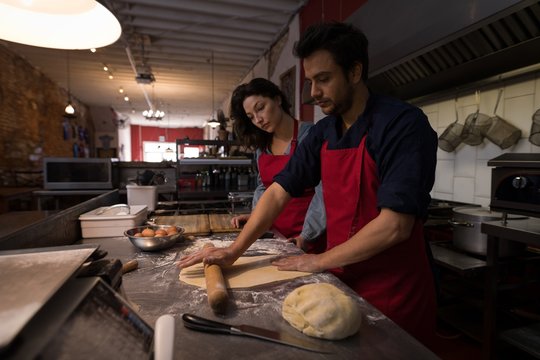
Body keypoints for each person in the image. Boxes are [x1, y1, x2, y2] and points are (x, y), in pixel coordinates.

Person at [178, 22, 438, 347]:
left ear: (355, 71)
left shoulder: (402, 125)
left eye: (323, 79)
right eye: (311, 80)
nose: (313, 92)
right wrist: (233, 251)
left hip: (394, 288)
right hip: (341, 277)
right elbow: (278, 191)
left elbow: (395, 226)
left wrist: (317, 261)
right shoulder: (323, 133)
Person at [229, 78, 326, 253]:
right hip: (275, 236)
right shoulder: (263, 146)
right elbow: (263, 186)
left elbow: (323, 191)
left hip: (308, 237)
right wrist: (256, 219)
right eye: (251, 117)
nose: (258, 119)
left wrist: (306, 236)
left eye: (260, 108)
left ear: (277, 99)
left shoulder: (310, 135)